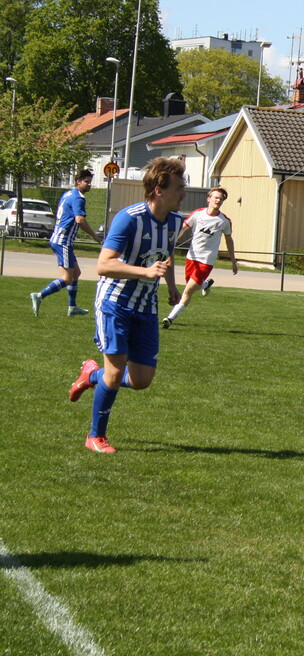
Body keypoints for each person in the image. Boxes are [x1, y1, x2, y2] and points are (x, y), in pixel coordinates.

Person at [67, 157, 186, 454]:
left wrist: (171, 286)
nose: (183, 192)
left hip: (146, 307)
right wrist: (145, 272)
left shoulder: (174, 221)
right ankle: (95, 436)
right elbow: (104, 265)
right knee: (116, 372)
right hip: (115, 303)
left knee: (142, 380)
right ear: (159, 190)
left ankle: (91, 375)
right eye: (179, 187)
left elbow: (166, 256)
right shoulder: (129, 218)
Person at [161, 186, 238, 329]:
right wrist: (172, 243)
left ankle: (170, 318)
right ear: (209, 198)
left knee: (188, 290)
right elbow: (183, 228)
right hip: (191, 257)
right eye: (216, 197)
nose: (218, 201)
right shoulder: (198, 214)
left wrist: (233, 261)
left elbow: (229, 240)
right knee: (191, 285)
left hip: (206, 260)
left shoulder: (224, 221)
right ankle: (205, 285)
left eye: (221, 199)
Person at [30, 169, 103, 317]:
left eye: (90, 182)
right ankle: (39, 295)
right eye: (86, 182)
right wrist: (95, 236)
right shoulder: (78, 198)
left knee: (76, 273)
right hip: (63, 241)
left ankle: (72, 307)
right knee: (67, 278)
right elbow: (79, 220)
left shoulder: (68, 194)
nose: (89, 184)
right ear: (78, 181)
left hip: (59, 239)